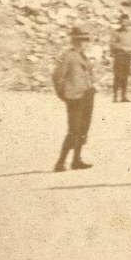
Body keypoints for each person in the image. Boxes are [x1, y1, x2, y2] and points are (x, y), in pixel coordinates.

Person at [52, 27, 97, 172]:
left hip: (87, 95)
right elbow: (57, 76)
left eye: (86, 40)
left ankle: (76, 160)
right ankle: (61, 162)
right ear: (75, 41)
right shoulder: (68, 56)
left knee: (83, 129)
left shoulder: (83, 56)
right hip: (75, 97)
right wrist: (63, 95)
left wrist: (91, 87)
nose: (84, 43)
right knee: (74, 130)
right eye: (81, 40)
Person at [108, 17, 131, 102]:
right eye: (123, 22)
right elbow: (112, 44)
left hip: (127, 57)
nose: (124, 24)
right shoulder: (116, 32)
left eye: (126, 22)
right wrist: (122, 48)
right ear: (120, 22)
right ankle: (115, 96)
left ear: (128, 23)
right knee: (117, 76)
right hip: (119, 56)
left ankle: (124, 96)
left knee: (125, 76)